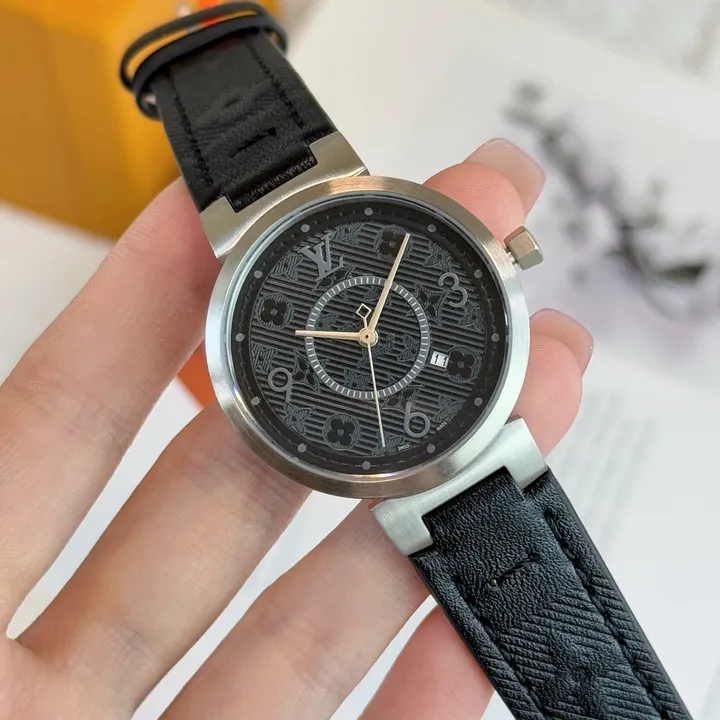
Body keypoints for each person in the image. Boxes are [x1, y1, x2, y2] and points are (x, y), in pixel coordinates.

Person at [0, 140, 592, 718]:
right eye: (363, 333)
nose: (368, 336)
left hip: (465, 456)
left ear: (506, 256)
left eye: (366, 332)